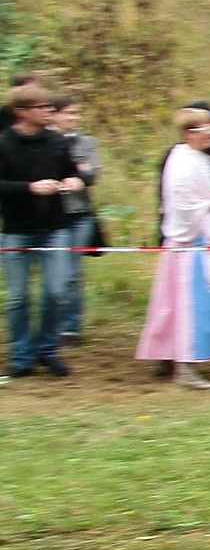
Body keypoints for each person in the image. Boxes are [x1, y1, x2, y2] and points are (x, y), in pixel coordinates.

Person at [137, 106, 210, 389]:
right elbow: (182, 206)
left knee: (203, 307)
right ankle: (184, 367)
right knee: (188, 309)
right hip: (188, 245)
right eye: (205, 129)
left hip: (204, 240)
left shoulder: (200, 159)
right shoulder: (180, 162)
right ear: (188, 133)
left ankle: (189, 362)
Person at [1, 85, 83, 379]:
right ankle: (21, 356)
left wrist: (75, 180)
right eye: (42, 107)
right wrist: (29, 188)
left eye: (50, 106)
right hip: (16, 231)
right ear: (21, 112)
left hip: (55, 229)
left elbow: (73, 171)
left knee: (56, 292)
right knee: (18, 298)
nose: (50, 111)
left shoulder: (57, 142)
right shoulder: (4, 144)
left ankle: (48, 350)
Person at [43, 95, 96, 348]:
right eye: (68, 114)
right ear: (53, 115)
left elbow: (90, 172)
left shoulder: (86, 141)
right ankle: (50, 325)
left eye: (76, 114)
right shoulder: (43, 142)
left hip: (79, 215)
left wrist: (79, 176)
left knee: (72, 274)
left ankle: (70, 327)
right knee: (55, 276)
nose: (73, 119)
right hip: (50, 216)